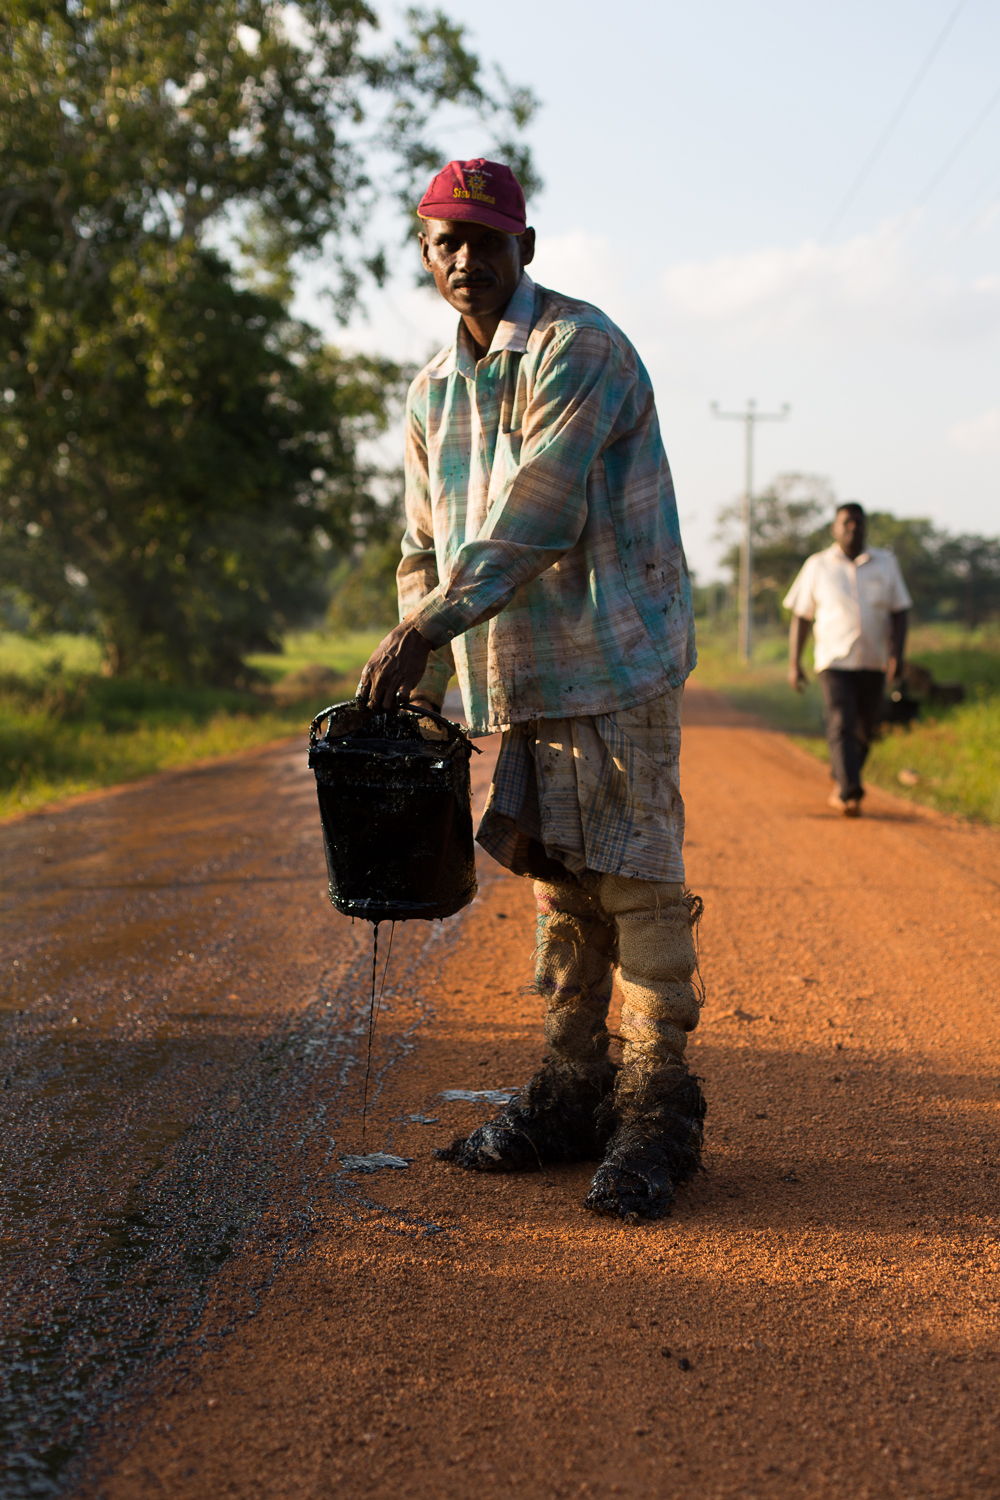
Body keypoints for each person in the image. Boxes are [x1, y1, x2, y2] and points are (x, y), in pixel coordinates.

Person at [357, 158, 703, 1222]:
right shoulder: (429, 392)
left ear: (526, 248)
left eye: (486, 240)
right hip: (519, 672)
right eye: (445, 242)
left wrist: (427, 626)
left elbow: (539, 511)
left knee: (635, 880)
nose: (466, 260)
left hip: (614, 655)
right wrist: (430, 638)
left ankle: (655, 1114)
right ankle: (570, 1090)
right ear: (425, 254)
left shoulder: (579, 349)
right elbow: (422, 544)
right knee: (559, 884)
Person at [784, 502, 912, 817]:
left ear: (866, 527)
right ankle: (850, 788)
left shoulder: (886, 563)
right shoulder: (818, 566)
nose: (852, 528)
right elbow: (801, 617)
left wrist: (897, 654)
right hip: (833, 661)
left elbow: (900, 612)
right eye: (846, 523)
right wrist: (794, 663)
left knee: (866, 728)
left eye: (858, 522)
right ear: (834, 528)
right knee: (841, 721)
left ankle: (843, 778)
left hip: (873, 661)